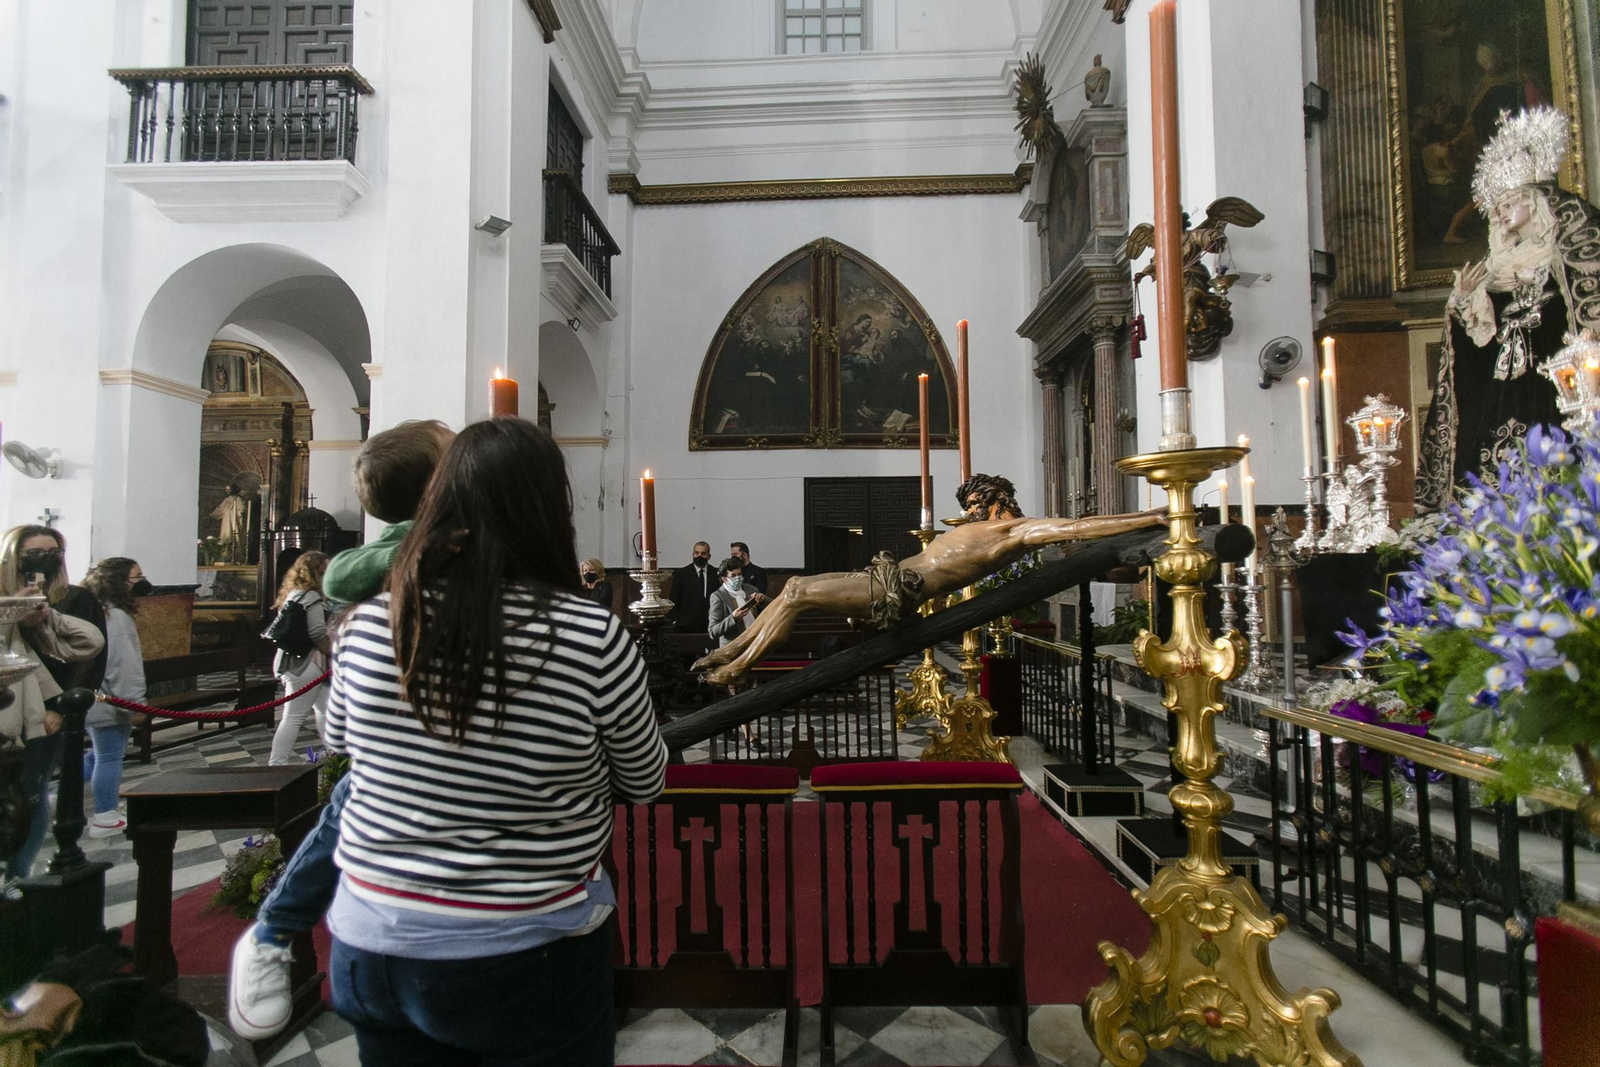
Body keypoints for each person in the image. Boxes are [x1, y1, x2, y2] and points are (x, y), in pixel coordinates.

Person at [319, 418, 666, 1065]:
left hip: (373, 936)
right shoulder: (590, 635)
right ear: (548, 510)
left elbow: (338, 737)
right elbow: (646, 781)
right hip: (524, 949)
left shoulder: (368, 623)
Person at [230, 419, 454, 1040]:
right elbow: (339, 579)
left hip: (419, 699)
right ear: (438, 482)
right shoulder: (408, 544)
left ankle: (276, 926)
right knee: (354, 795)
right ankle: (273, 930)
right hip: (412, 691)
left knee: (353, 793)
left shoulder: (427, 540)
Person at [695, 475, 1164, 684]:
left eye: (977, 501)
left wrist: (1147, 516)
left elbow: (1078, 528)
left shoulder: (1014, 532)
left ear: (998, 498)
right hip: (885, 575)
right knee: (795, 584)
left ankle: (737, 664)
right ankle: (730, 651)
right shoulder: (981, 527)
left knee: (796, 592)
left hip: (897, 591)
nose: (970, 510)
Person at [1417, 107, 1600, 509]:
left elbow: (1588, 300)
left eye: (1506, 202)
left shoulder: (1569, 245)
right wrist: (1465, 299)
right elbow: (1479, 341)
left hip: (1555, 377)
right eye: (1496, 207)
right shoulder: (1498, 269)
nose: (1499, 213)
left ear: (1533, 201)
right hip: (1505, 380)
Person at [0, 526, 104, 896]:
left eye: (52, 551)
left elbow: (88, 652)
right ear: (14, 555)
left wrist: (60, 705)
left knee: (32, 788)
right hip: (10, 706)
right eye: (33, 552)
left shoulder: (73, 598)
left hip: (46, 708)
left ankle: (18, 871)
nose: (43, 559)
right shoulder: (4, 597)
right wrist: (14, 608)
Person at [323, 420, 456, 609]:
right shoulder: (406, 536)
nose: (467, 450)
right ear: (434, 486)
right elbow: (334, 578)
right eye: (455, 449)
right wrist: (410, 555)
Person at [79, 557, 152, 838]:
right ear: (119, 582)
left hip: (94, 696)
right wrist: (135, 703)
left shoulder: (97, 611)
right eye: (137, 576)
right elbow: (123, 665)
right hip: (111, 699)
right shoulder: (116, 618)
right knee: (110, 756)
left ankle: (60, 793)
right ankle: (105, 816)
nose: (142, 581)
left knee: (96, 754)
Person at [266, 551, 330, 766]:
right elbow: (317, 632)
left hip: (293, 660)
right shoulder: (310, 596)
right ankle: (277, 765)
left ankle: (332, 755)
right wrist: (335, 652)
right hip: (305, 664)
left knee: (324, 711)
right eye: (324, 570)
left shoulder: (294, 593)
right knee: (293, 718)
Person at [708, 557, 766, 748]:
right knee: (737, 692)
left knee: (751, 692)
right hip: (732, 650)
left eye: (739, 574)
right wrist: (732, 618)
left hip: (754, 645)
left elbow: (773, 606)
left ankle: (733, 724)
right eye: (733, 576)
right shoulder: (718, 596)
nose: (738, 578)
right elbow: (713, 630)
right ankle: (750, 736)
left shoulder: (750, 589)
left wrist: (762, 599)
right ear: (724, 579)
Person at [667, 541, 715, 633]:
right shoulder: (681, 574)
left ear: (709, 556)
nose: (699, 556)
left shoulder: (716, 574)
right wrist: (677, 620)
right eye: (697, 553)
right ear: (693, 555)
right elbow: (673, 599)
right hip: (686, 626)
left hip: (710, 625)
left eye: (703, 553)